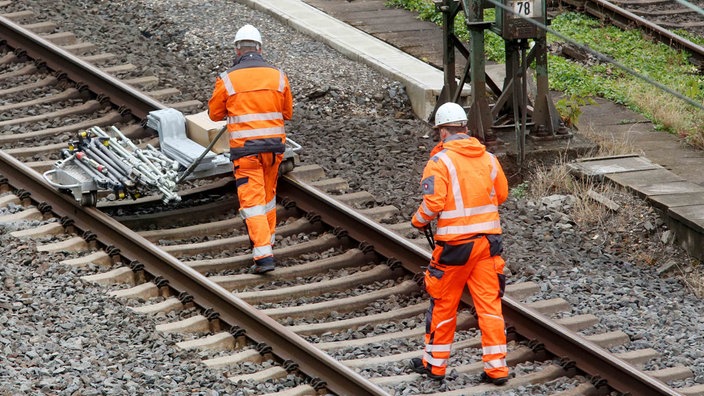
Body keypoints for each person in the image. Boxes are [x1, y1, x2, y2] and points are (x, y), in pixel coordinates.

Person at [409, 102, 510, 385]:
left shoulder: (440, 162)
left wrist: (418, 220)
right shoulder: (489, 159)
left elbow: (433, 204)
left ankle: (435, 366)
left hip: (454, 248)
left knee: (443, 304)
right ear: (465, 129)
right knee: (490, 306)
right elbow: (500, 195)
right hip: (488, 244)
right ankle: (497, 369)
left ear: (442, 131)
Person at [208, 24, 293, 274]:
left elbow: (214, 115)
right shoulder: (278, 76)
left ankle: (263, 256)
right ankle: (267, 242)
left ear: (237, 50)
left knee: (253, 203)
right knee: (267, 199)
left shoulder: (227, 78)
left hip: (246, 153)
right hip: (274, 149)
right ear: (260, 48)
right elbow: (287, 112)